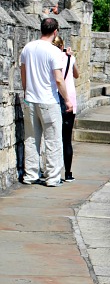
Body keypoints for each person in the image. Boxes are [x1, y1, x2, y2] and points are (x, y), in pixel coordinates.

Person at [20, 17, 72, 187]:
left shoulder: (27, 48)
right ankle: (52, 177)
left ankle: (30, 174)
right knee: (53, 140)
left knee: (31, 138)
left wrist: (27, 92)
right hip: (48, 100)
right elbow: (58, 80)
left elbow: (23, 74)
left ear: (40, 29)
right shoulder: (54, 52)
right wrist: (67, 99)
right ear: (55, 31)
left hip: (31, 99)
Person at [53, 36, 78, 182]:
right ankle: (68, 173)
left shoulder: (51, 59)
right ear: (62, 45)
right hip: (70, 99)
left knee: (53, 138)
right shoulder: (69, 58)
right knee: (66, 139)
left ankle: (53, 172)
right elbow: (76, 74)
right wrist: (71, 57)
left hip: (55, 98)